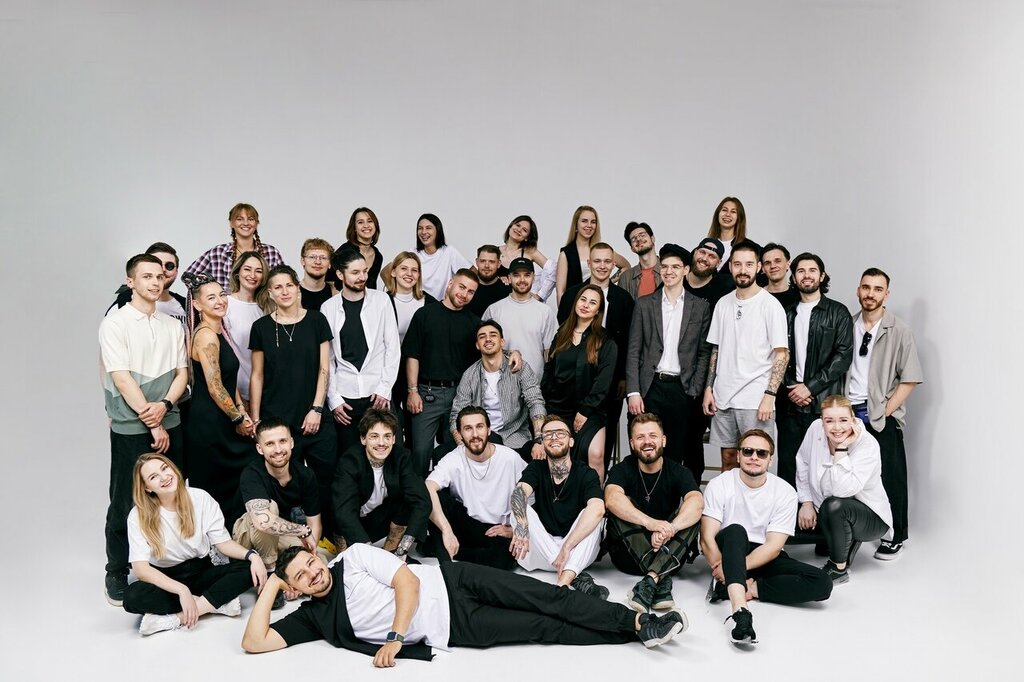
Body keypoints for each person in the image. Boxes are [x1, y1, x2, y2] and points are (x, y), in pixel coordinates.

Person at [241, 544, 688, 662]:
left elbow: (406, 583)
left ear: (317, 556)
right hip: (456, 627)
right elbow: (254, 642)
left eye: (310, 563)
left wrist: (395, 637)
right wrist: (273, 584)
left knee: (545, 596)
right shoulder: (315, 618)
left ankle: (637, 623)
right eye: (301, 576)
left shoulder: (353, 558)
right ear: (296, 588)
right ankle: (629, 635)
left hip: (453, 580)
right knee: (541, 628)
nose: (313, 572)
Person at [99, 254, 189, 606]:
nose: (155, 281)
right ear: (131, 281)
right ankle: (117, 569)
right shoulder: (115, 323)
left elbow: (182, 374)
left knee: (173, 492)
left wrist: (164, 407)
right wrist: (153, 422)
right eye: (146, 276)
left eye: (159, 276)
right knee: (126, 497)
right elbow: (121, 378)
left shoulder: (171, 325)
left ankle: (173, 562)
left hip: (170, 419)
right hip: (131, 424)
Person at [700, 429, 832, 647]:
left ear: (770, 460)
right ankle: (741, 613)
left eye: (761, 453)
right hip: (731, 549)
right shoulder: (720, 484)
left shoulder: (785, 492)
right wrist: (719, 566)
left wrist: (733, 571)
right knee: (735, 530)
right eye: (748, 451)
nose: (754, 457)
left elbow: (773, 547)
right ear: (739, 455)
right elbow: (707, 537)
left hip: (764, 555)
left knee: (822, 583)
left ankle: (747, 588)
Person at [123, 453, 266, 636]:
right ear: (147, 487)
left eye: (165, 468)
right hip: (167, 579)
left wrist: (253, 556)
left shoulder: (200, 497)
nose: (164, 477)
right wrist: (181, 590)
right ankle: (215, 604)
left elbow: (223, 543)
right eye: (153, 477)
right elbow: (141, 569)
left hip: (201, 572)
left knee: (247, 569)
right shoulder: (138, 515)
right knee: (132, 597)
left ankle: (177, 618)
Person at [249, 265, 337, 537]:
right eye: (277, 287)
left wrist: (317, 408)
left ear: (298, 288)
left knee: (326, 479)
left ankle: (330, 536)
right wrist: (256, 419)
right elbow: (257, 375)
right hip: (277, 420)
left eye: (289, 285)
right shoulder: (261, 327)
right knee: (283, 483)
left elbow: (324, 369)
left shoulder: (317, 320)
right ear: (270, 293)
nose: (284, 291)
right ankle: (291, 540)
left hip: (315, 416)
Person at [846, 267, 923, 559]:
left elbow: (910, 378)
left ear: (886, 294)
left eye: (878, 289)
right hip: (848, 413)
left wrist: (886, 411)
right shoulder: (848, 324)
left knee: (891, 475)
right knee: (849, 474)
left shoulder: (899, 330)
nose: (870, 294)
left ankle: (896, 536)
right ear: (858, 290)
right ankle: (851, 532)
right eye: (866, 287)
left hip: (880, 414)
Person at [625, 244, 712, 481]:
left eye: (675, 267)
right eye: (664, 266)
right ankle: (645, 498)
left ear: (686, 270)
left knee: (676, 451)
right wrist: (633, 392)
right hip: (649, 386)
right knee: (645, 449)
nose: (669, 271)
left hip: (682, 389)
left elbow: (703, 352)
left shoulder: (700, 307)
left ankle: (673, 501)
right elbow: (633, 350)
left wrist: (694, 389)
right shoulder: (644, 304)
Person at [703, 241, 789, 472]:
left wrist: (769, 396)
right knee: (728, 459)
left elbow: (782, 354)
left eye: (749, 264)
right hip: (723, 397)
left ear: (758, 267)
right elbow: (716, 349)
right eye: (738, 264)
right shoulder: (723, 304)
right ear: (730, 266)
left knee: (756, 462)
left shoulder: (770, 305)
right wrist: (709, 388)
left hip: (755, 399)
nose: (743, 270)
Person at [605, 414, 704, 614]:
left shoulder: (678, 471)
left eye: (653, 436)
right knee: (619, 506)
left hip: (667, 548)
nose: (647, 441)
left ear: (663, 440)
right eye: (640, 437)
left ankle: (651, 579)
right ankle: (661, 576)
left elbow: (696, 502)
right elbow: (612, 499)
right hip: (628, 558)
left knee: (692, 514)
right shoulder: (622, 469)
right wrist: (651, 523)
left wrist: (671, 528)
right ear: (632, 444)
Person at [182, 272, 257, 525]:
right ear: (197, 304)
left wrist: (241, 410)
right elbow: (215, 387)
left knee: (242, 475)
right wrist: (238, 418)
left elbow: (228, 380)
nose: (220, 301)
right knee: (214, 486)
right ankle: (216, 539)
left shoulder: (219, 331)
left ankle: (237, 532)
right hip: (209, 424)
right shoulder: (205, 336)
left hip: (224, 417)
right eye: (211, 297)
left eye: (222, 295)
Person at [795, 395, 893, 584]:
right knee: (781, 517)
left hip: (869, 517)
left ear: (853, 419)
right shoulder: (815, 428)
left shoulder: (867, 444)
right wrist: (806, 503)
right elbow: (803, 462)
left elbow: (841, 491)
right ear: (821, 421)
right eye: (829, 421)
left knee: (834, 505)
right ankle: (832, 539)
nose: (836, 427)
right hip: (822, 509)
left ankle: (838, 568)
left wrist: (842, 448)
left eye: (843, 420)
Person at [776, 253, 854, 487]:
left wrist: (809, 387)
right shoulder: (785, 313)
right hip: (789, 404)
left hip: (823, 404)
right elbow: (776, 354)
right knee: (789, 467)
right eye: (801, 271)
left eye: (812, 270)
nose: (806, 275)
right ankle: (790, 512)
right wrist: (792, 386)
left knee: (823, 468)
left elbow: (842, 357)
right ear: (794, 277)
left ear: (822, 276)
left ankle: (820, 512)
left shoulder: (838, 312)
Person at [508, 415, 607, 596]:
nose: (554, 437)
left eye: (560, 433)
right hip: (540, 552)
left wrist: (567, 547)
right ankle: (572, 575)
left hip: (575, 550)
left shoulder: (586, 473)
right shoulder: (536, 468)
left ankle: (561, 585)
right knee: (518, 505)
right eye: (548, 434)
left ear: (571, 441)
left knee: (594, 514)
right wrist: (521, 525)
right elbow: (519, 493)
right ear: (542, 442)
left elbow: (598, 509)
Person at [232, 418, 325, 607]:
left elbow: (314, 524)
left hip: (277, 535)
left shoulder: (305, 475)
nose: (278, 449)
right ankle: (271, 576)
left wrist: (305, 559)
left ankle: (289, 579)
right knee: (269, 508)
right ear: (260, 449)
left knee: (320, 560)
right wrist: (302, 531)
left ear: (292, 442)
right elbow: (262, 522)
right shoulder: (252, 473)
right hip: (246, 538)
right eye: (270, 444)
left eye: (282, 441)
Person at [558, 242, 634, 469]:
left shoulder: (624, 299)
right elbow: (562, 335)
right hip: (573, 380)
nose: (602, 266)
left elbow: (629, 341)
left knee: (603, 442)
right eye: (597, 261)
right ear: (589, 263)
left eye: (607, 261)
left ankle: (599, 485)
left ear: (614, 264)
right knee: (570, 440)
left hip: (611, 381)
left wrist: (623, 377)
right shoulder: (572, 295)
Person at [425, 407, 528, 569]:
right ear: (459, 434)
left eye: (479, 427)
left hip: (498, 529)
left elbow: (531, 499)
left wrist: (514, 529)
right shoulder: (452, 458)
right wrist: (447, 531)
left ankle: (449, 550)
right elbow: (428, 487)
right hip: (466, 524)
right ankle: (448, 548)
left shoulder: (510, 458)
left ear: (489, 430)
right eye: (468, 428)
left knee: (505, 559)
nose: (475, 434)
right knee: (432, 496)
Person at [321, 248, 400, 456]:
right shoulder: (328, 308)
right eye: (355, 272)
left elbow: (393, 348)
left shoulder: (382, 301)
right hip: (345, 397)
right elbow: (328, 359)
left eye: (364, 271)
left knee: (388, 454)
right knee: (349, 457)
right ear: (340, 274)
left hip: (378, 393)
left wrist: (384, 388)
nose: (362, 277)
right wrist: (334, 399)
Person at [402, 268, 481, 476]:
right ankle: (418, 494)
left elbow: (490, 350)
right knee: (420, 451)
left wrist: (513, 353)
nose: (464, 294)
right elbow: (412, 355)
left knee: (455, 451)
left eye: (471, 292)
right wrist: (412, 391)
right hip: (426, 393)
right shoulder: (425, 314)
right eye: (461, 287)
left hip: (459, 395)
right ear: (450, 284)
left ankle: (447, 494)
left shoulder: (474, 323)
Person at [542, 285, 617, 481]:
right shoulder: (561, 334)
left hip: (590, 410)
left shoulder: (605, 341)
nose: (586, 305)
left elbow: (603, 382)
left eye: (592, 302)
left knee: (595, 455)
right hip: (558, 408)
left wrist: (585, 411)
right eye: (583, 300)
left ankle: (596, 499)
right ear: (576, 302)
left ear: (598, 310)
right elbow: (549, 371)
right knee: (557, 460)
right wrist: (546, 406)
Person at [332, 409, 431, 557]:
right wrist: (370, 554)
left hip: (378, 519)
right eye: (374, 436)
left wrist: (404, 548)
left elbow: (422, 501)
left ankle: (392, 553)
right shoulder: (350, 461)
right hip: (351, 523)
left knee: (407, 502)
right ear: (363, 439)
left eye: (387, 436)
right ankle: (350, 555)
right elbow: (344, 513)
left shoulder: (401, 457)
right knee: (339, 514)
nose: (381, 443)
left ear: (393, 439)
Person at [450, 320, 547, 461]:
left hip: (516, 437)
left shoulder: (520, 368)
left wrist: (539, 439)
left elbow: (535, 402)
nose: (488, 339)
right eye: (482, 336)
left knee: (536, 460)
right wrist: (462, 444)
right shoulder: (470, 375)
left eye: (493, 335)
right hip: (481, 438)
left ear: (502, 342)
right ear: (477, 345)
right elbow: (457, 413)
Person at [383, 251, 437, 448]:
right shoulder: (382, 301)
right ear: (393, 272)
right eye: (404, 268)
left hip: (418, 371)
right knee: (391, 423)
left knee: (416, 424)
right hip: (390, 369)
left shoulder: (429, 303)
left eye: (414, 270)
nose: (409, 274)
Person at [483, 256, 558, 379]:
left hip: (535, 383)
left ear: (533, 277)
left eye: (527, 275)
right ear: (509, 278)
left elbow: (549, 353)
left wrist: (548, 383)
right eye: (516, 275)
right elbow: (484, 348)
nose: (522, 280)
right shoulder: (494, 310)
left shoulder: (545, 312)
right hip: (500, 382)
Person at [184, 203, 284, 291]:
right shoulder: (218, 253)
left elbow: (284, 282)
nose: (246, 223)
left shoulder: (271, 253)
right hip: (226, 307)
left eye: (250, 219)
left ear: (256, 223)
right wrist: (211, 294)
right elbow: (188, 277)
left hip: (261, 306)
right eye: (239, 219)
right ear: (231, 223)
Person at [382, 213, 471, 301]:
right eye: (420, 228)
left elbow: (472, 273)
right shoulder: (413, 253)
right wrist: (398, 294)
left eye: (428, 228)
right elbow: (385, 272)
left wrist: (454, 293)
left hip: (439, 306)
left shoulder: (449, 252)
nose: (423, 232)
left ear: (437, 230)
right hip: (419, 303)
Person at [223, 251, 270, 413]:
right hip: (235, 390)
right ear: (237, 273)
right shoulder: (225, 304)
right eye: (247, 269)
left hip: (265, 389)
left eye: (258, 271)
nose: (252, 275)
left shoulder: (268, 307)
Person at [555, 206, 629, 304]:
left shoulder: (602, 251)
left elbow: (626, 266)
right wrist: (564, 312)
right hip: (576, 305)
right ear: (576, 225)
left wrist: (608, 283)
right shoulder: (566, 254)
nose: (589, 225)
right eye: (584, 221)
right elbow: (560, 292)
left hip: (600, 302)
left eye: (593, 222)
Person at [105, 242, 189, 327]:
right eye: (157, 264)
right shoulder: (122, 304)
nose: (162, 270)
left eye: (169, 266)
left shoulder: (187, 305)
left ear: (176, 272)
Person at [497, 214, 556, 301]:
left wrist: (540, 295)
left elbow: (554, 270)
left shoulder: (530, 252)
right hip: (495, 301)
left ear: (527, 238)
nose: (519, 230)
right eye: (518, 225)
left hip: (520, 303)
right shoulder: (495, 251)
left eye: (524, 230)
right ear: (510, 226)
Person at [331, 208, 384, 290]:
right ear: (354, 228)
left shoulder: (378, 256)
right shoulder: (344, 251)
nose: (366, 225)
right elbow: (329, 280)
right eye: (360, 222)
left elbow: (372, 287)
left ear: (375, 225)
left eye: (370, 221)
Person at [683, 237, 734, 311]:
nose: (704, 259)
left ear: (718, 263)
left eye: (712, 256)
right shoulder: (676, 281)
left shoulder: (722, 293)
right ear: (695, 252)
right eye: (702, 252)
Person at [619, 221, 661, 300]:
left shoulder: (670, 270)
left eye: (642, 235)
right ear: (632, 248)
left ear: (652, 239)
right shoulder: (626, 278)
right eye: (633, 239)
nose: (638, 239)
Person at [466, 245, 511, 316]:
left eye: (491, 262)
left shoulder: (508, 291)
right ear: (477, 262)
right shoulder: (466, 288)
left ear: (499, 264)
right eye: (483, 261)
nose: (486, 266)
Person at [707, 196, 748, 269]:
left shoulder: (748, 247)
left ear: (739, 217)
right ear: (718, 214)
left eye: (733, 212)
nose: (728, 214)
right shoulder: (706, 245)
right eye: (724, 210)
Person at [298, 237, 336, 310]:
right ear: (303, 261)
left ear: (330, 263)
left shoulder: (337, 295)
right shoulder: (290, 294)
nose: (318, 262)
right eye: (312, 257)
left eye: (323, 258)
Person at [761, 243, 798, 307]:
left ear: (788, 264)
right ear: (763, 268)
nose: (773, 266)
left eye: (777, 261)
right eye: (767, 263)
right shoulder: (756, 297)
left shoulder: (799, 296)